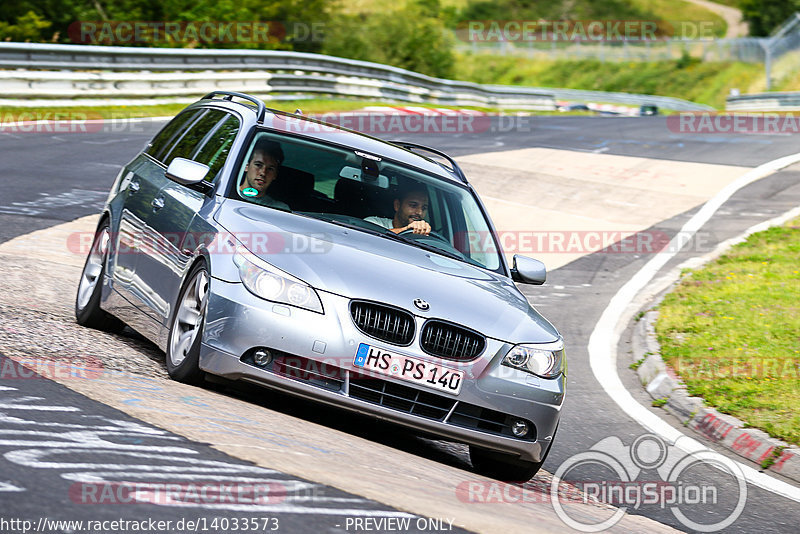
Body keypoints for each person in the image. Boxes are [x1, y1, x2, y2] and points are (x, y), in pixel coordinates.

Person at [239, 138, 289, 210]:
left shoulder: (280, 209)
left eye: (270, 169)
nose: (263, 173)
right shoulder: (225, 194)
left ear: (275, 175)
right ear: (246, 166)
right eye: (258, 165)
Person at [365, 185, 431, 235]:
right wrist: (407, 229)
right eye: (413, 205)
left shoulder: (424, 236)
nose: (419, 212)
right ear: (397, 205)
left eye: (424, 208)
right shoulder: (374, 223)